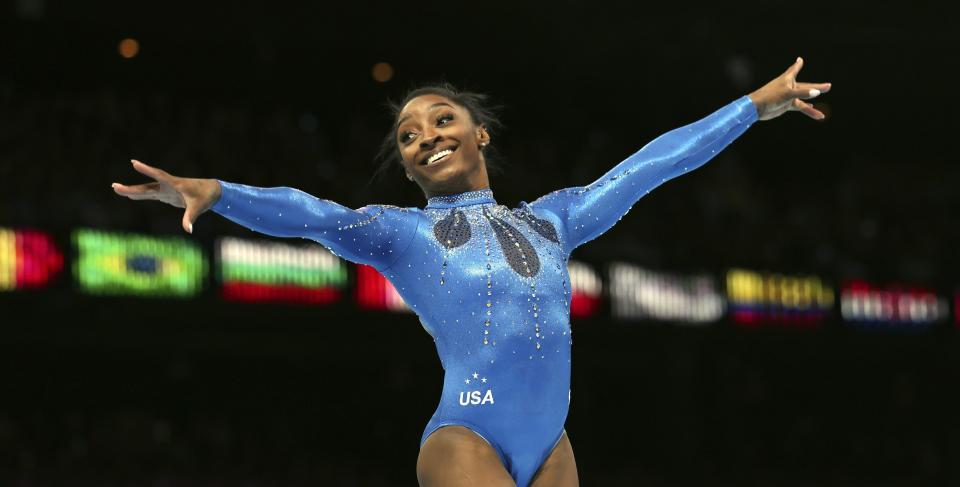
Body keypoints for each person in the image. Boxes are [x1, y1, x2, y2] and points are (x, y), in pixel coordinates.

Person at [113, 57, 830, 487]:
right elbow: (313, 214)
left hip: (554, 446)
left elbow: (648, 165)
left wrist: (752, 107)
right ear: (405, 166)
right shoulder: (398, 232)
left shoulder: (555, 217)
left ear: (479, 132)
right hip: (467, 436)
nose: (427, 136)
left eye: (442, 119)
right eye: (409, 136)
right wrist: (220, 193)